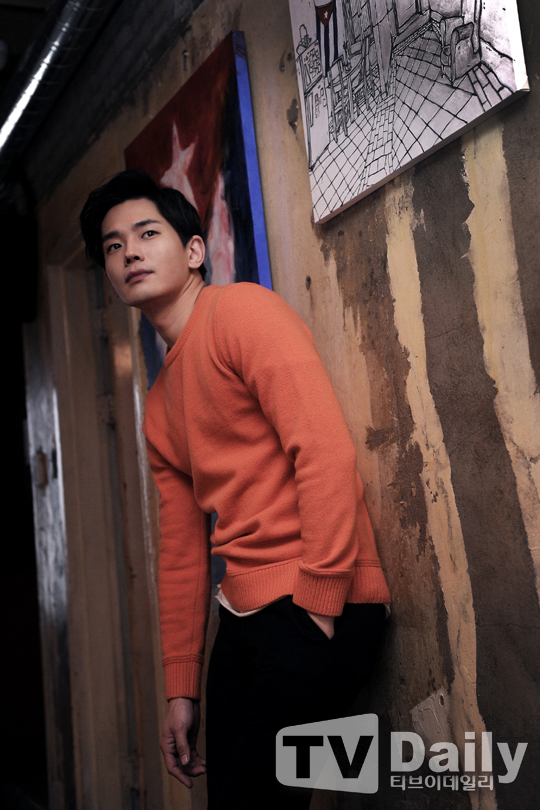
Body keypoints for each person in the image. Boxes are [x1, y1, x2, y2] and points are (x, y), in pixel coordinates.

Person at [80, 169, 391, 809]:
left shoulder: (242, 312)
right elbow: (182, 553)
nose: (130, 252)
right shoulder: (159, 405)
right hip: (245, 616)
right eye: (113, 246)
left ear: (195, 250)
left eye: (146, 233)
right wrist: (181, 688)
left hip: (316, 598)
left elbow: (323, 451)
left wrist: (319, 606)